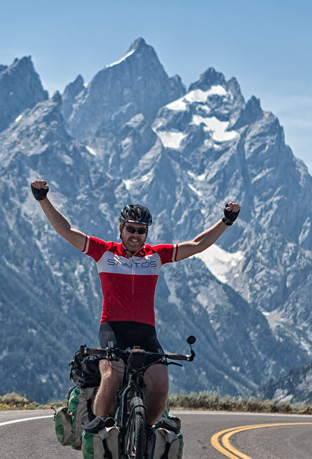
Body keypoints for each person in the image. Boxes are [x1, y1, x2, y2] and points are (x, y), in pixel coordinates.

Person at [30, 178, 240, 427]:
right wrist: (43, 200)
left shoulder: (156, 256)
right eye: (131, 229)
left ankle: (144, 432)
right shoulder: (104, 252)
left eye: (141, 231)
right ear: (121, 229)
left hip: (145, 333)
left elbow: (197, 245)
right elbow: (67, 230)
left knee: (161, 385)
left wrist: (226, 221)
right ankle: (100, 429)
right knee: (111, 375)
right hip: (113, 329)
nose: (136, 235)